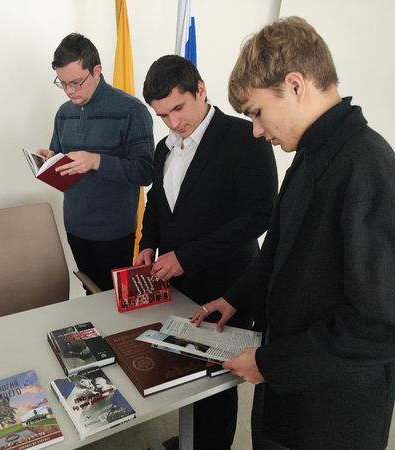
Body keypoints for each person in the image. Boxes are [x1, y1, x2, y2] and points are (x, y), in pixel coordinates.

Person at [193, 16, 395, 450]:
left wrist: (272, 365)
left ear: (294, 85)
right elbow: (279, 253)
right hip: (286, 395)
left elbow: (386, 324)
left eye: (257, 113)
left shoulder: (368, 166)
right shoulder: (310, 154)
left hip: (331, 417)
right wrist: (235, 298)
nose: (256, 130)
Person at [139, 55, 277, 449]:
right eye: (162, 115)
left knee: (216, 381)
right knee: (183, 368)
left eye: (178, 108)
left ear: (200, 89)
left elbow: (259, 216)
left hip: (227, 284)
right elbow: (157, 201)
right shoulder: (164, 147)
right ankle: (191, 439)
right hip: (177, 283)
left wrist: (186, 257)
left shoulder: (244, 137)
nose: (173, 122)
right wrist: (147, 242)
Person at [39, 33, 154, 292]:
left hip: (115, 231)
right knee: (90, 293)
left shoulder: (131, 110)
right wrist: (49, 160)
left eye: (76, 82)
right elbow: (61, 160)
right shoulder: (64, 113)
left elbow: (145, 172)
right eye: (63, 83)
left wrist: (96, 161)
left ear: (97, 71)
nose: (70, 91)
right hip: (75, 225)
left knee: (114, 300)